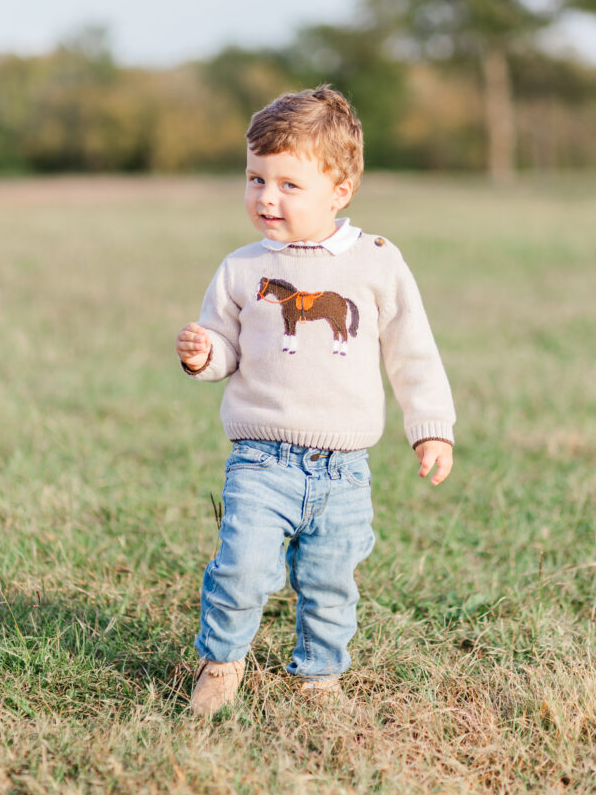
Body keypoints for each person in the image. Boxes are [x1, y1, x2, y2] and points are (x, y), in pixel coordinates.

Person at [176, 84, 456, 717]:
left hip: (343, 470)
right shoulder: (243, 269)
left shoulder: (376, 263)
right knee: (240, 570)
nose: (265, 198)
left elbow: (412, 351)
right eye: (255, 179)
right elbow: (226, 349)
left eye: (287, 184)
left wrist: (431, 426)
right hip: (260, 460)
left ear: (339, 189)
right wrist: (203, 355)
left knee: (330, 583)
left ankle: (320, 676)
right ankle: (221, 662)